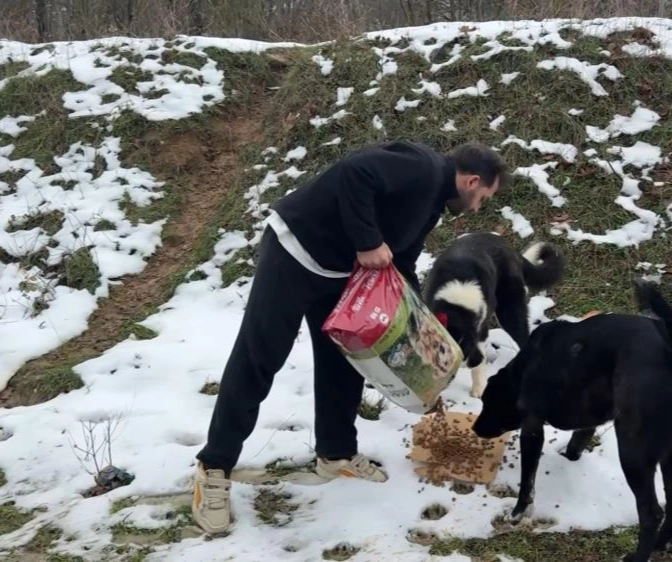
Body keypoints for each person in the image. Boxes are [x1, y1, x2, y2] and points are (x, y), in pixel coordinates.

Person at [191, 140, 508, 534]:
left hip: (340, 273)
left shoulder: (431, 205)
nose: (477, 208)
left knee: (344, 362)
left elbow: (402, 261)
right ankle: (214, 467)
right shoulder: (422, 168)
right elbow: (354, 173)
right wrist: (367, 241)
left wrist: (419, 323)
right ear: (472, 181)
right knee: (260, 357)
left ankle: (336, 454)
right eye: (482, 198)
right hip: (295, 252)